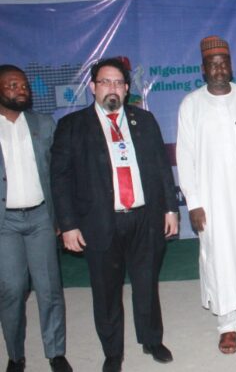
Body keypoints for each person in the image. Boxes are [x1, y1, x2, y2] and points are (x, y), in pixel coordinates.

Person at [51, 57, 178, 372]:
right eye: (105, 82)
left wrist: (171, 209)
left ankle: (151, 339)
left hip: (145, 218)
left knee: (146, 284)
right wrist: (68, 224)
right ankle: (112, 352)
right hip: (100, 221)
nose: (112, 87)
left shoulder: (143, 120)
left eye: (118, 82)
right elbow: (60, 179)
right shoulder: (72, 126)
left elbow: (162, 168)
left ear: (126, 89)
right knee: (106, 291)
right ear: (93, 87)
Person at [176, 36, 236, 355]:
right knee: (219, 259)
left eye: (223, 63)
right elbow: (185, 156)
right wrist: (194, 203)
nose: (219, 69)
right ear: (203, 69)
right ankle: (227, 326)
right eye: (212, 65)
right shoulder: (191, 104)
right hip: (211, 200)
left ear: (231, 66)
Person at [0, 66, 72, 372]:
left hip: (41, 217)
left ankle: (56, 353)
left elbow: (58, 173)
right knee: (12, 290)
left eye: (24, 85)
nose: (21, 90)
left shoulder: (44, 124)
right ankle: (15, 356)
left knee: (49, 288)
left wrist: (62, 217)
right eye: (12, 85)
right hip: (5, 224)